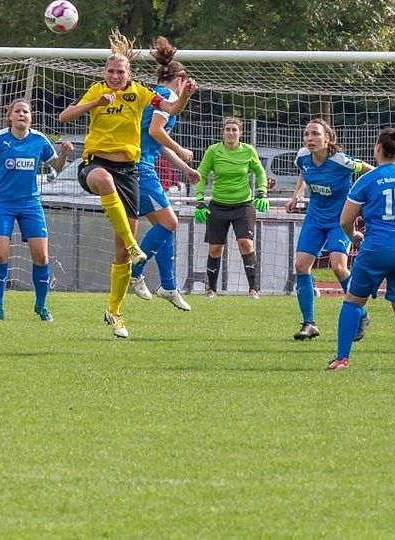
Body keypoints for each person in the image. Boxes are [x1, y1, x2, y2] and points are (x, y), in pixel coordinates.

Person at [58, 29, 197, 338]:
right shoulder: (95, 91)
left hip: (129, 171)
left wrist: (185, 95)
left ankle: (115, 312)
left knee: (120, 252)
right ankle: (137, 248)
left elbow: (170, 109)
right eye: (110, 71)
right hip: (95, 164)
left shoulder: (141, 93)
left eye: (120, 72)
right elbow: (64, 117)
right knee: (103, 179)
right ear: (104, 73)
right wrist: (94, 104)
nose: (115, 76)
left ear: (129, 74)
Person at [326, 128, 395, 371]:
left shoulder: (367, 179)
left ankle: (342, 359)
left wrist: (354, 236)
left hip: (377, 248)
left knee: (353, 301)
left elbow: (345, 220)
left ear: (377, 148)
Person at [0, 98, 73, 321]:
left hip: (30, 204)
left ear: (30, 117)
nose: (21, 115)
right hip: (2, 203)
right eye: (17, 111)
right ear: (10, 116)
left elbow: (56, 165)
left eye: (25, 111)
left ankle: (41, 306)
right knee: (0, 255)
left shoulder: (39, 140)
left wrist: (64, 153)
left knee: (42, 257)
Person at [128, 36, 200, 312]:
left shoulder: (157, 94)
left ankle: (169, 286)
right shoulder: (167, 96)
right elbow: (155, 131)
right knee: (170, 222)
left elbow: (158, 141)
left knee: (165, 227)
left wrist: (185, 169)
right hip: (139, 168)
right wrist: (181, 149)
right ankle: (135, 273)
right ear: (180, 79)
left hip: (139, 165)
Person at [286, 119, 374, 340]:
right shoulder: (302, 157)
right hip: (314, 219)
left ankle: (361, 313)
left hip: (340, 220)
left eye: (315, 134)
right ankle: (309, 323)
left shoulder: (341, 161)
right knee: (301, 265)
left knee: (338, 267)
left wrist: (376, 190)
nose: (310, 138)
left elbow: (370, 171)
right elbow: (303, 172)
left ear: (328, 138)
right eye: (307, 134)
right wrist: (296, 195)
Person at [193, 117, 269, 299]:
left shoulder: (248, 150)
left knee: (246, 243)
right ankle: (211, 290)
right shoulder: (213, 151)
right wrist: (199, 200)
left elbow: (260, 172)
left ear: (240, 133)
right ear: (223, 132)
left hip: (243, 205)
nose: (231, 132)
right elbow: (201, 174)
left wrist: (262, 191)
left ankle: (254, 289)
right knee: (215, 248)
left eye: (234, 129)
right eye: (228, 129)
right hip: (218, 205)